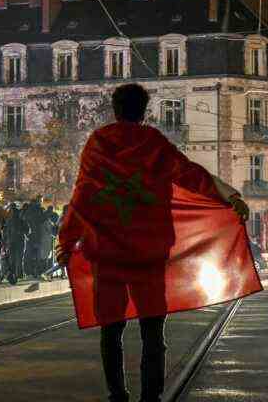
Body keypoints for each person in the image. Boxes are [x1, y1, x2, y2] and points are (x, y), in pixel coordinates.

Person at [56, 84, 253, 402]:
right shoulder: (154, 143)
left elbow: (82, 197)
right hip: (149, 254)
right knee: (152, 331)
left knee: (111, 330)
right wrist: (228, 195)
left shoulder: (98, 143)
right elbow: (191, 174)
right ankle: (151, 397)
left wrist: (66, 242)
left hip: (107, 253)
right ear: (144, 111)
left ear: (115, 109)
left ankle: (117, 395)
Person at [3, 203, 29, 282]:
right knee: (20, 258)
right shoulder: (21, 220)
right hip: (20, 241)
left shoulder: (8, 221)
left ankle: (12, 273)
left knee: (12, 257)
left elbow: (4, 232)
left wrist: (5, 241)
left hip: (10, 241)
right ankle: (19, 274)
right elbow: (27, 230)